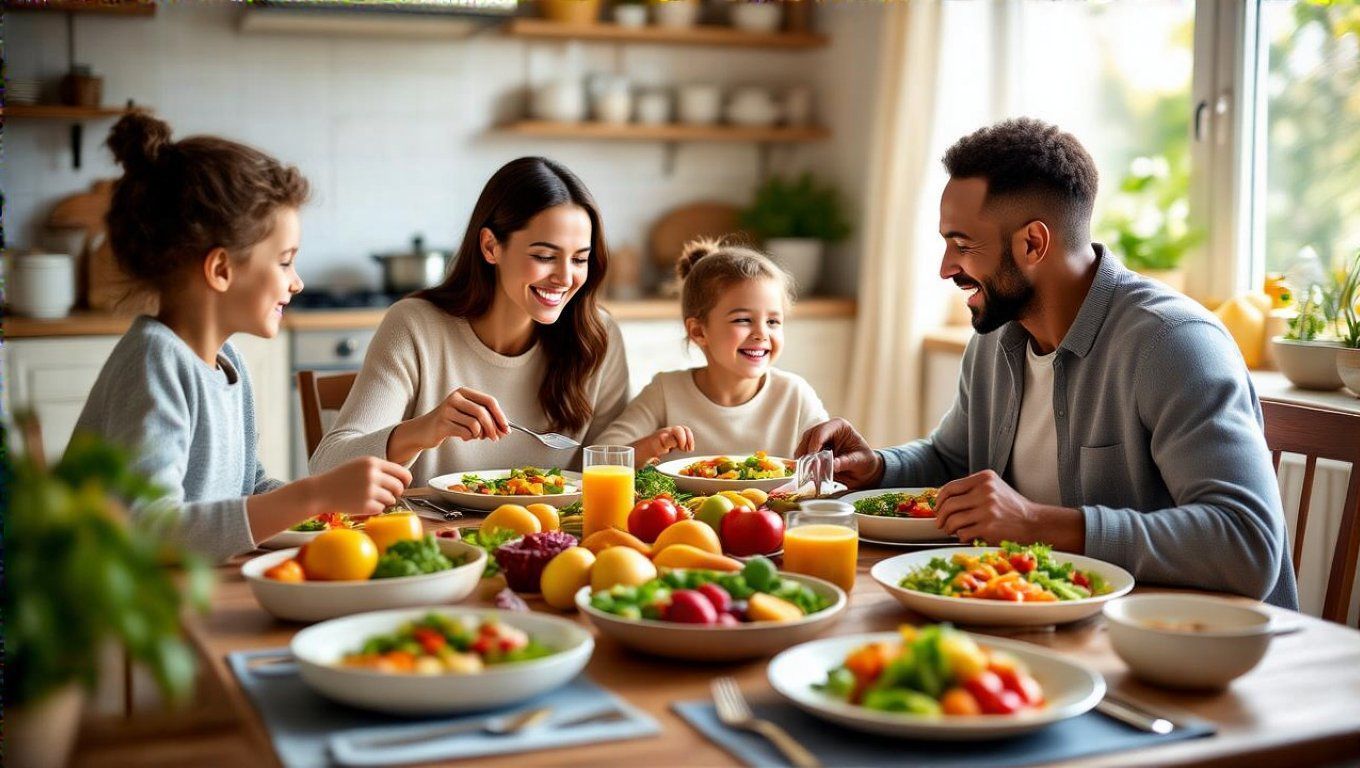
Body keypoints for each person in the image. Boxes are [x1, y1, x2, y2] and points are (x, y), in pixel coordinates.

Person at [798, 118, 1297, 607]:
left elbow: (1247, 545)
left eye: (962, 244)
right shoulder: (997, 336)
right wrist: (879, 470)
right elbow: (955, 461)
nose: (946, 267)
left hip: (1200, 652)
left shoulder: (1173, 344)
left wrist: (1034, 524)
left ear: (1033, 243)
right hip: (1066, 623)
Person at [73, 110, 412, 563]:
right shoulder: (155, 363)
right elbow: (148, 527)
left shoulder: (227, 358)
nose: (297, 283)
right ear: (220, 269)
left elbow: (247, 489)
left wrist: (332, 503)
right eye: (285, 260)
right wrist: (312, 495)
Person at [310, 157, 630, 485]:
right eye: (544, 257)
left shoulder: (596, 335)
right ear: (491, 246)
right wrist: (423, 430)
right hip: (434, 534)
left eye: (579, 259)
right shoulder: (415, 328)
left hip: (559, 536)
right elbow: (326, 468)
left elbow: (612, 469)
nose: (565, 278)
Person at [598, 238, 829, 467]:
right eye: (743, 320)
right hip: (681, 506)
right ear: (698, 331)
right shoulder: (665, 392)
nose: (762, 333)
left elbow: (830, 463)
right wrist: (651, 445)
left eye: (773, 321)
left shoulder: (795, 395)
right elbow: (599, 458)